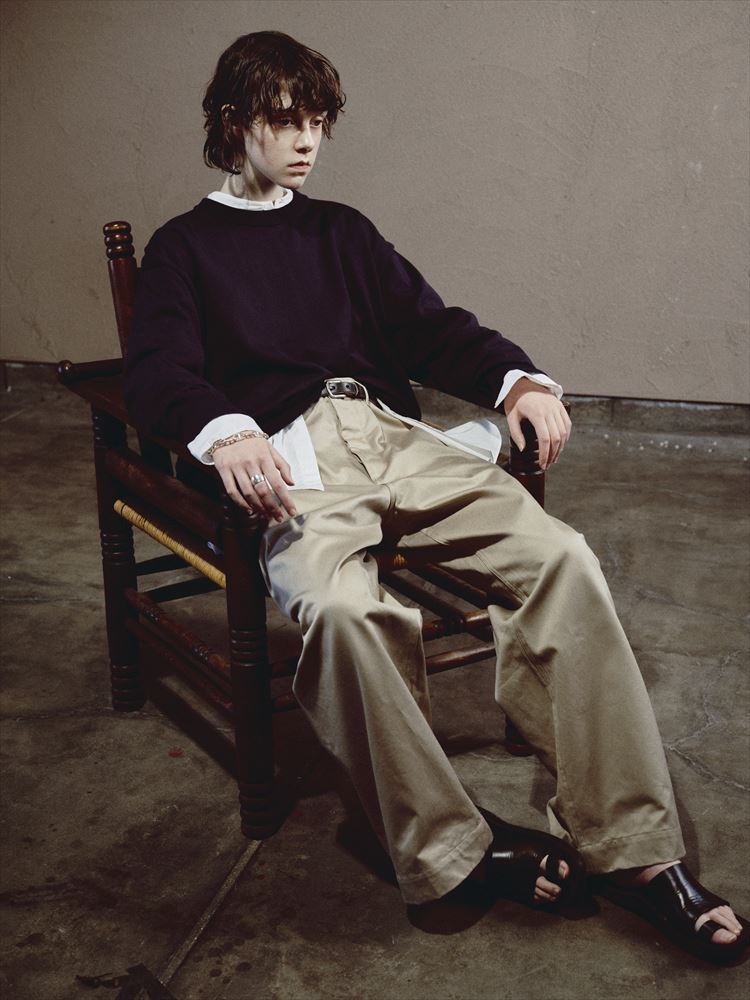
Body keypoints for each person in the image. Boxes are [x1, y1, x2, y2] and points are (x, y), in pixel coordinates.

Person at [123, 30, 748, 963]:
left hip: (395, 440)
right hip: (294, 461)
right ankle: (457, 848)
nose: (307, 140)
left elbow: (431, 328)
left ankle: (636, 852)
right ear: (232, 120)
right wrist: (226, 429)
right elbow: (156, 370)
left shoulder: (342, 232)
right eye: (285, 120)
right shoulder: (184, 249)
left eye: (318, 121)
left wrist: (515, 380)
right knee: (343, 615)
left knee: (562, 559)